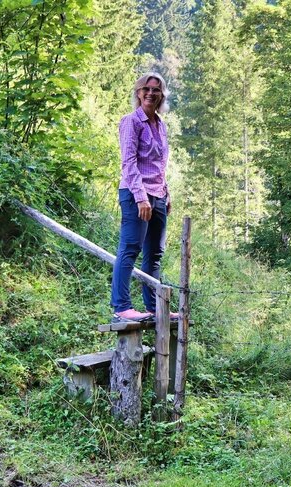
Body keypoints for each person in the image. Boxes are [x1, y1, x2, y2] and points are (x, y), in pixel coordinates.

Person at [110, 73, 177, 322]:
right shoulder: (131, 122)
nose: (150, 93)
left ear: (161, 96)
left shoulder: (160, 125)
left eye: (156, 90)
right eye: (146, 89)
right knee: (130, 248)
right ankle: (121, 306)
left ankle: (153, 307)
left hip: (158, 194)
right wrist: (141, 198)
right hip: (136, 194)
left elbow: (159, 164)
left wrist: (165, 193)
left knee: (155, 254)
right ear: (138, 93)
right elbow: (128, 163)